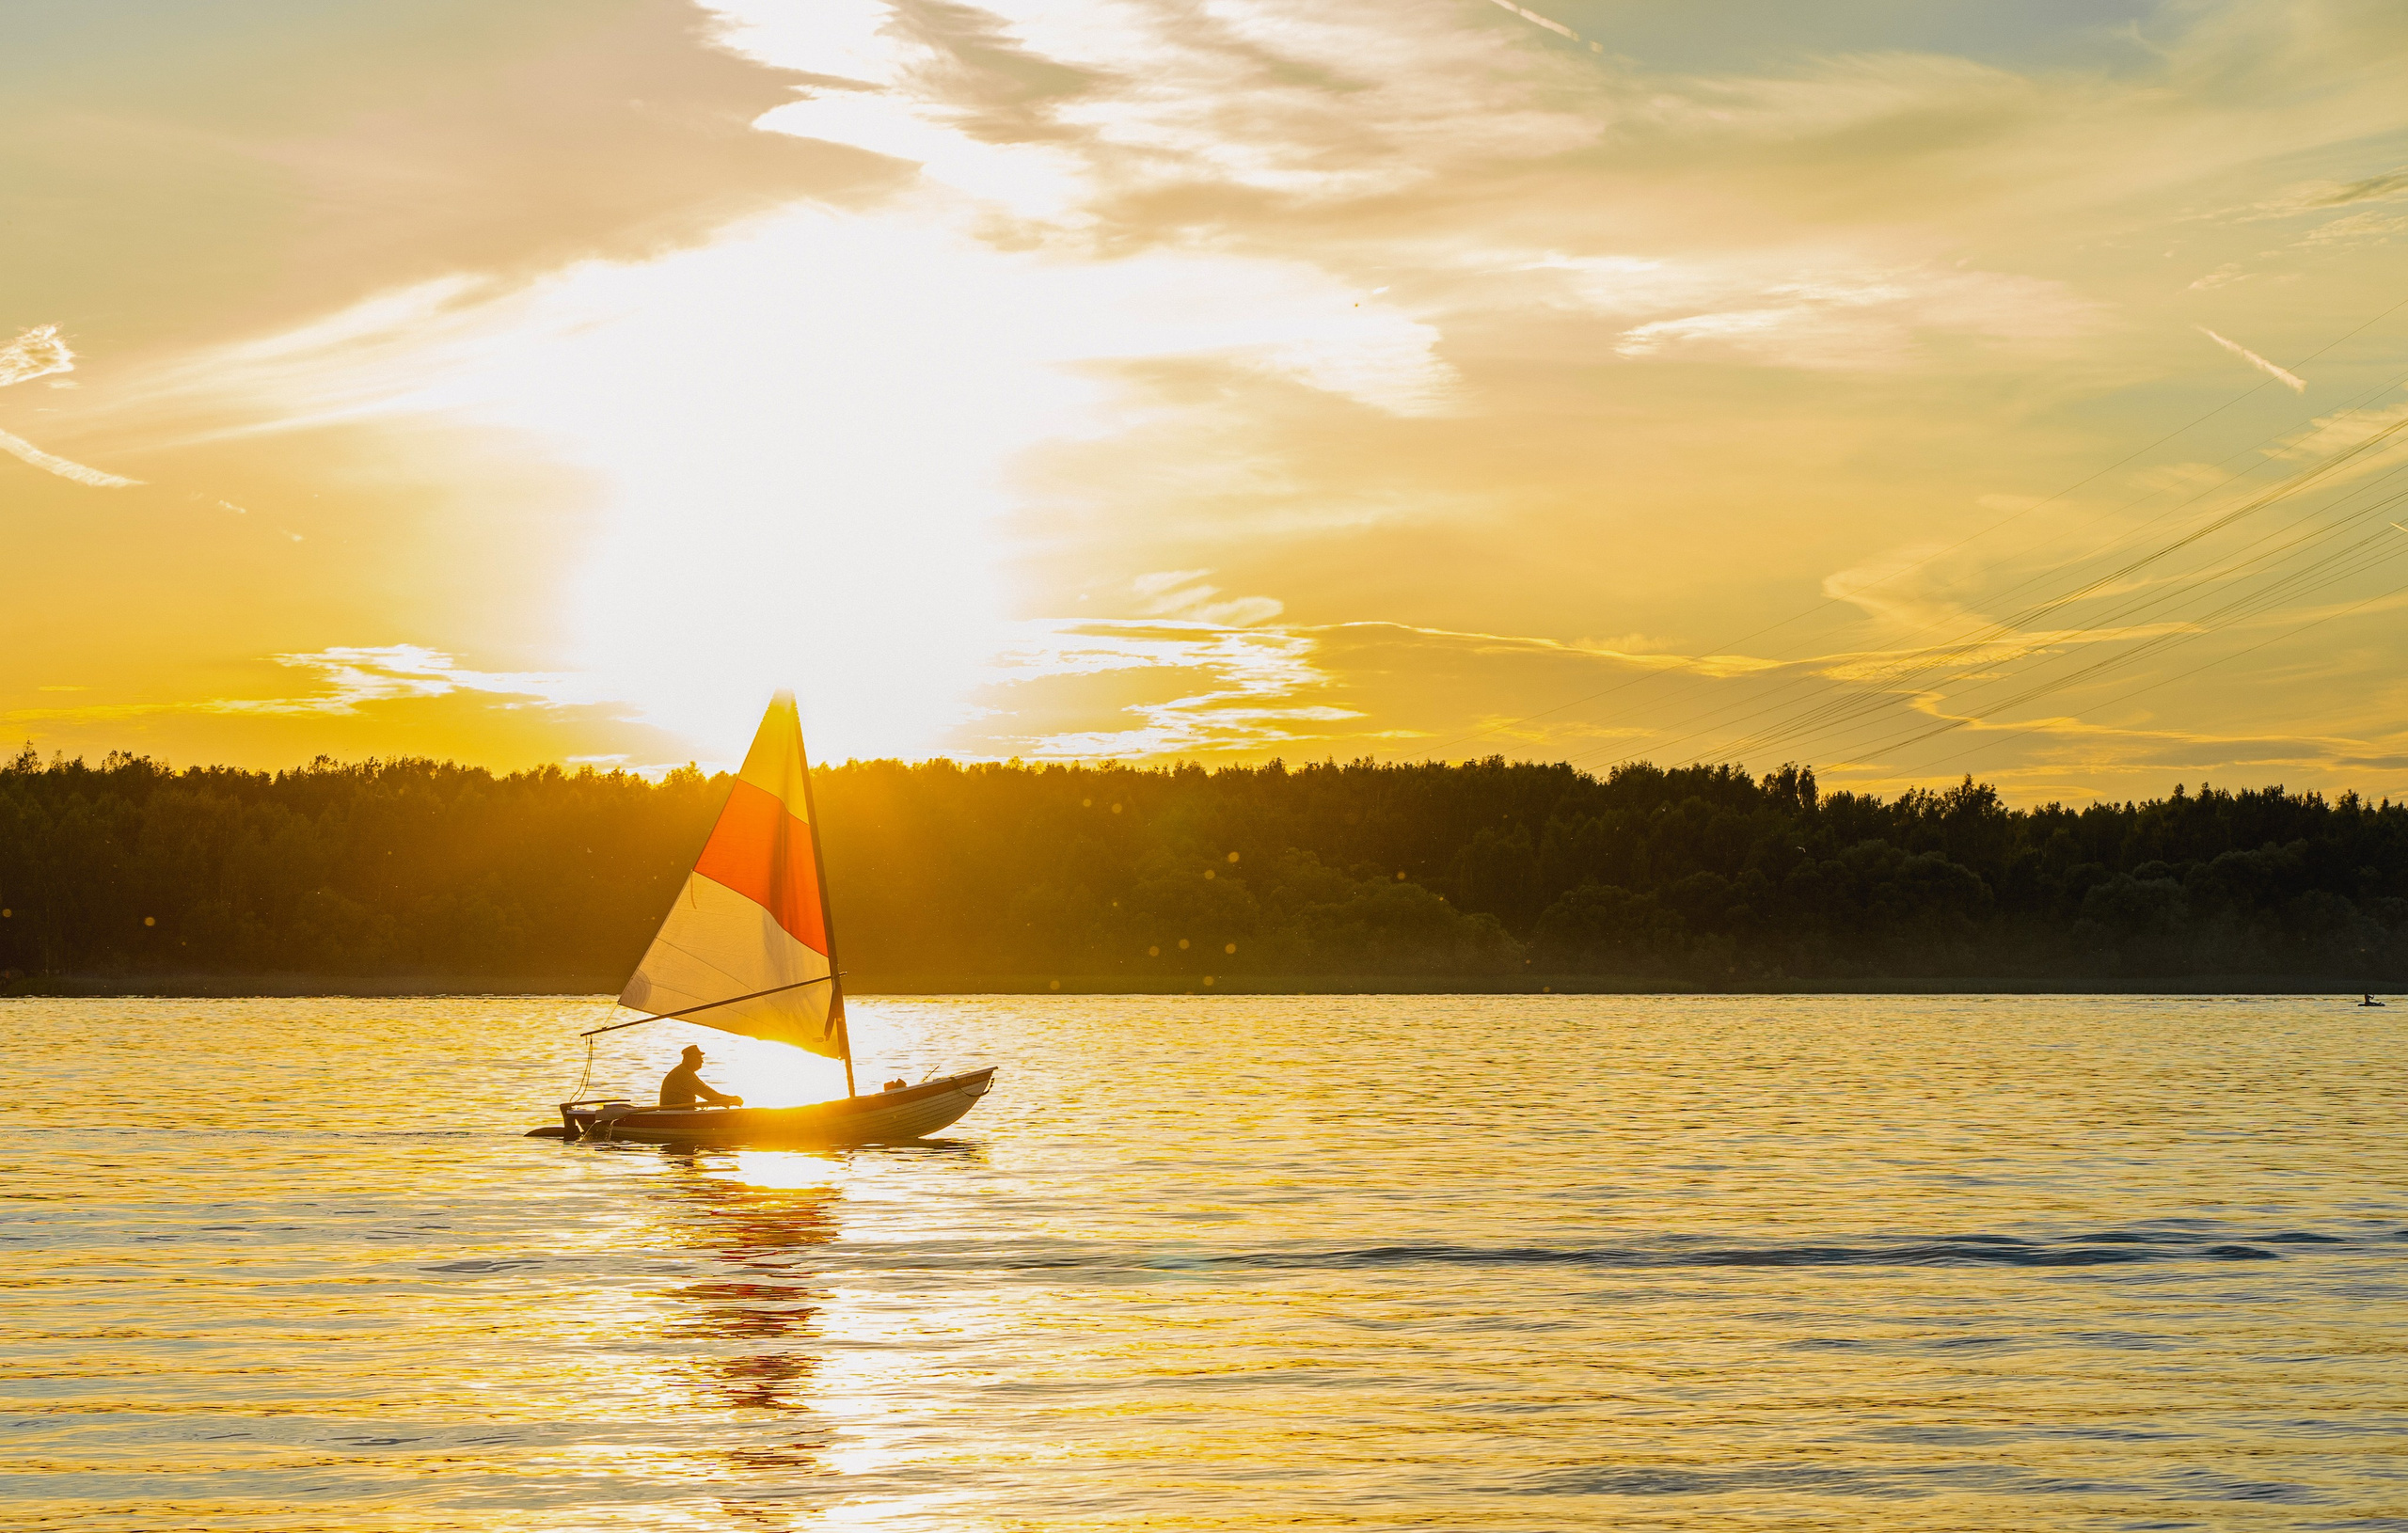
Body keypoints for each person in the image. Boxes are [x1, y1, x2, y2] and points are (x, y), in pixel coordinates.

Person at [659, 1044, 744, 1108]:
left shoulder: (686, 1072)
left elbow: (705, 1089)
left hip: (681, 1112)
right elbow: (707, 1094)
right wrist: (730, 1100)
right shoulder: (682, 1074)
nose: (702, 1061)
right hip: (676, 1115)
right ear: (691, 1059)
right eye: (699, 1058)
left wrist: (726, 1100)